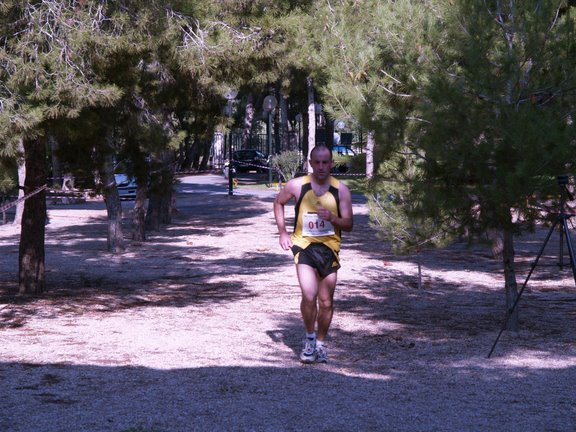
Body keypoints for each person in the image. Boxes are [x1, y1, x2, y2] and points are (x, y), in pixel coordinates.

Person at [273, 145, 353, 363]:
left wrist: (333, 218)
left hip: (330, 249)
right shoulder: (297, 185)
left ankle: (320, 343)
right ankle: (309, 339)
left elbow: (349, 224)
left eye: (325, 162)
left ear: (331, 164)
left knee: (326, 301)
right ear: (310, 163)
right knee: (309, 295)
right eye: (316, 162)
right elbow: (278, 203)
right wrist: (282, 232)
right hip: (304, 247)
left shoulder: (341, 190)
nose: (320, 167)